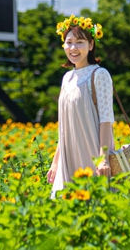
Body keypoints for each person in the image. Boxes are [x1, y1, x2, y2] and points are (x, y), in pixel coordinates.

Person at [47, 15, 115, 196]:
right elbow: (64, 127)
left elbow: (106, 120)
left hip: (92, 154)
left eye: (80, 42)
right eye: (69, 42)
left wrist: (103, 159)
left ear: (91, 45)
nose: (73, 48)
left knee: (94, 209)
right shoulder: (66, 78)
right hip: (68, 157)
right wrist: (55, 162)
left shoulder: (99, 74)